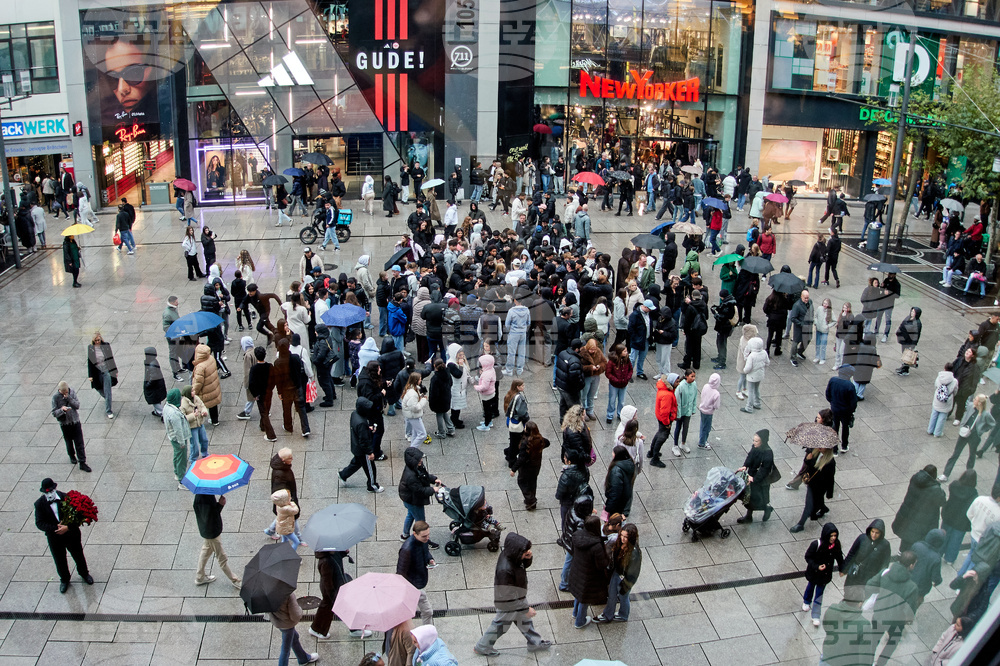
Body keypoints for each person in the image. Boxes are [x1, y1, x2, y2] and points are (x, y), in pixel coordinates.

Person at [473, 532, 552, 656]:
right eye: (525, 550)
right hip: (509, 603)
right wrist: (525, 609)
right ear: (517, 551)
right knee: (500, 626)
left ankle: (534, 642)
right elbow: (507, 596)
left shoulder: (511, 556)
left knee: (524, 621)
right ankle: (482, 646)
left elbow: (522, 566)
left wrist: (527, 558)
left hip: (517, 596)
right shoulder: (505, 569)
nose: (528, 551)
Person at [35, 478, 94, 594]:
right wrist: (56, 528)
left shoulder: (67, 498)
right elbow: (39, 523)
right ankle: (65, 579)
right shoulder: (39, 504)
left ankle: (84, 573)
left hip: (71, 535)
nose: (49, 494)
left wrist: (67, 527)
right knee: (59, 559)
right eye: (46, 493)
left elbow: (78, 516)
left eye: (50, 491)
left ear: (55, 489)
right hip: (54, 537)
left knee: (78, 555)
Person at [865, 551, 920, 666]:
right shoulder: (912, 587)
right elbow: (909, 610)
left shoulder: (884, 573)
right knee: (892, 643)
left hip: (879, 615)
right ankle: (880, 664)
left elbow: (870, 585)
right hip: (896, 621)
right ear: (911, 565)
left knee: (873, 641)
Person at [568, 514, 611, 629]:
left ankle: (575, 613)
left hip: (577, 571)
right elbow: (601, 564)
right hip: (589, 577)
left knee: (578, 594)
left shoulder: (577, 535)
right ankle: (580, 621)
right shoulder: (596, 545)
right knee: (585, 599)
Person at [892, 465, 946, 554]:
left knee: (906, 534)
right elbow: (942, 501)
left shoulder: (915, 479)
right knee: (917, 539)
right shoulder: (935, 489)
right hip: (923, 519)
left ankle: (901, 551)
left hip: (909, 514)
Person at [309, 548, 361, 640]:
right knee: (328, 609)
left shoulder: (331, 553)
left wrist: (343, 553)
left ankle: (317, 629)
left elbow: (338, 558)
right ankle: (317, 629)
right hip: (332, 590)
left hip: (337, 585)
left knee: (328, 609)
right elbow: (327, 582)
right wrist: (334, 596)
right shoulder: (325, 562)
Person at [940, 394, 995, 481]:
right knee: (955, 454)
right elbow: (967, 406)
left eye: (976, 399)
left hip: (974, 436)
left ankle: (968, 475)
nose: (974, 400)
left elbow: (992, 424)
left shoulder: (985, 414)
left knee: (971, 455)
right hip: (964, 433)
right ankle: (945, 474)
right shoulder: (970, 406)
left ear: (980, 403)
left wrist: (981, 431)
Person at [192, 493, 242, 589]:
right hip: (212, 533)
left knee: (205, 552)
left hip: (207, 532)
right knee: (222, 558)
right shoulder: (206, 499)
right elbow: (211, 517)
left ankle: (200, 577)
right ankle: (235, 580)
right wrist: (220, 505)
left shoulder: (200, 495)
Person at [801, 522, 843, 626]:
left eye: (835, 535)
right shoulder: (816, 544)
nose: (833, 538)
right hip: (814, 573)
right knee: (810, 587)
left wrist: (842, 568)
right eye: (831, 535)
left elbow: (839, 557)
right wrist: (817, 566)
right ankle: (806, 601)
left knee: (819, 594)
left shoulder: (836, 544)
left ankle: (815, 615)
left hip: (825, 574)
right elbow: (808, 557)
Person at [339, 397, 384, 493]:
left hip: (356, 447)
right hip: (363, 450)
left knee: (356, 463)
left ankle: (343, 474)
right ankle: (372, 485)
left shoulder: (354, 414)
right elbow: (364, 440)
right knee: (370, 468)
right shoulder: (362, 423)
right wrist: (370, 452)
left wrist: (368, 429)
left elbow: (359, 432)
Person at [841, 518, 891, 603]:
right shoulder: (862, 538)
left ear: (881, 533)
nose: (874, 535)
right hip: (855, 573)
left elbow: (885, 564)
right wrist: (844, 568)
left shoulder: (885, 545)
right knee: (849, 590)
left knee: (862, 596)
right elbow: (852, 554)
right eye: (872, 532)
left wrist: (877, 579)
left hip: (869, 576)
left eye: (877, 533)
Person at [397, 521, 436, 625]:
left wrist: (430, 559)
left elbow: (426, 551)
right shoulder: (407, 550)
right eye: (424, 536)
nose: (427, 538)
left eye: (428, 535)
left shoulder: (423, 541)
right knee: (426, 612)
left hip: (418, 582)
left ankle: (427, 632)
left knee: (425, 612)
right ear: (414, 533)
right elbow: (400, 573)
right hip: (412, 586)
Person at [398, 448, 440, 545]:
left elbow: (424, 475)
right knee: (421, 522)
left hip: (410, 499)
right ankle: (423, 541)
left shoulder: (415, 467)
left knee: (411, 515)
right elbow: (419, 491)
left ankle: (405, 535)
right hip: (413, 501)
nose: (421, 460)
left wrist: (434, 479)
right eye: (419, 459)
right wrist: (433, 489)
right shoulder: (411, 476)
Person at [956, 484, 1000, 577]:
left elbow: (969, 514)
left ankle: (960, 575)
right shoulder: (998, 513)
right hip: (983, 540)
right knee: (975, 562)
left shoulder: (979, 499)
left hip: (973, 533)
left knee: (970, 555)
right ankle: (964, 581)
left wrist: (975, 523)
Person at [789, 448, 836, 533]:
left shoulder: (830, 462)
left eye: (823, 446)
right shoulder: (815, 452)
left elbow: (830, 479)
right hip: (812, 483)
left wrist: (829, 493)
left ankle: (800, 524)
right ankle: (823, 508)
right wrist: (808, 459)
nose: (820, 447)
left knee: (809, 504)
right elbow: (810, 467)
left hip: (820, 486)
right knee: (817, 499)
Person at [269, 592, 320, 665]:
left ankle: (303, 658)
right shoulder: (288, 594)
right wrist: (300, 610)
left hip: (278, 623)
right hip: (287, 624)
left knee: (294, 637)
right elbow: (295, 615)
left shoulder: (266, 595)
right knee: (285, 651)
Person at [263, 448, 301, 541]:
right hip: (286, 499)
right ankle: (299, 537)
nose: (292, 459)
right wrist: (288, 501)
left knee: (282, 516)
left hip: (286, 497)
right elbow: (279, 490)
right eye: (290, 458)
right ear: (283, 460)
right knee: (292, 517)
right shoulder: (280, 473)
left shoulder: (282, 467)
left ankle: (271, 530)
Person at [510, 421, 550, 510]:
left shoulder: (526, 443)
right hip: (536, 466)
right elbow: (547, 443)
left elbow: (521, 459)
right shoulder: (540, 440)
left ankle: (531, 499)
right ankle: (531, 499)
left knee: (522, 482)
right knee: (532, 482)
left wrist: (513, 469)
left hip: (526, 468)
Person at [51, 381, 90, 472]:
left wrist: (68, 398)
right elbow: (54, 412)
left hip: (75, 421)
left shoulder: (71, 392)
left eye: (66, 392)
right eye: (63, 392)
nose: (65, 393)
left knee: (79, 442)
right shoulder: (55, 397)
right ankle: (71, 455)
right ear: (59, 390)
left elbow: (77, 405)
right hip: (65, 423)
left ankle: (82, 462)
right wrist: (62, 410)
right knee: (69, 441)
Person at [648, 372, 679, 467]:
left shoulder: (664, 389)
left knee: (659, 433)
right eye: (677, 382)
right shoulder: (668, 395)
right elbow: (665, 411)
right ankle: (655, 458)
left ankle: (652, 452)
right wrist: (667, 423)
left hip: (660, 417)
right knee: (662, 437)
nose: (678, 383)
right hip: (665, 419)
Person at [826, 365, 858, 453]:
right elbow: (853, 402)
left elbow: (828, 394)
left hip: (835, 409)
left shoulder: (833, 380)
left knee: (835, 428)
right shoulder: (849, 385)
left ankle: (834, 449)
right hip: (845, 411)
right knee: (845, 427)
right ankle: (844, 446)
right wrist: (851, 411)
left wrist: (832, 403)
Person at [86, 331, 118, 419]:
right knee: (99, 388)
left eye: (98, 340)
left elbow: (111, 358)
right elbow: (90, 362)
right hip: (97, 372)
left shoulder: (106, 346)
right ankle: (108, 399)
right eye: (95, 340)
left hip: (106, 370)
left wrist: (115, 370)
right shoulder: (91, 348)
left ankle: (109, 410)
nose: (97, 342)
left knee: (107, 391)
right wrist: (90, 375)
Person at [603, 446, 636, 519]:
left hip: (617, 503)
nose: (612, 454)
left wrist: (608, 508)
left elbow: (615, 492)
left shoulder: (616, 471)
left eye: (613, 452)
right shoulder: (630, 462)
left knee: (613, 521)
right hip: (624, 498)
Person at [503, 379, 529, 470]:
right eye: (522, 386)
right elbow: (522, 413)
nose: (523, 387)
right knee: (517, 443)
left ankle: (508, 452)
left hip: (511, 422)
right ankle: (511, 459)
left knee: (513, 441)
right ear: (517, 387)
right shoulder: (520, 398)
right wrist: (526, 421)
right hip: (518, 424)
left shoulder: (509, 395)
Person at [740, 337, 769, 413]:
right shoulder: (764, 352)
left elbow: (747, 368)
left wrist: (744, 371)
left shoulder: (752, 356)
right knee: (757, 389)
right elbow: (767, 363)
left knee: (750, 391)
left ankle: (749, 407)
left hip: (752, 376)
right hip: (760, 375)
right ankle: (758, 403)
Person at [604, 344, 632, 423]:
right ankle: (610, 415)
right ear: (620, 352)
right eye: (625, 351)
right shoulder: (612, 361)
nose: (626, 353)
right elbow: (608, 373)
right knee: (612, 400)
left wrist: (627, 378)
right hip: (614, 385)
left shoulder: (627, 359)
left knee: (621, 401)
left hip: (624, 384)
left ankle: (620, 414)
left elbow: (630, 369)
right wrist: (615, 379)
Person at [673, 368, 698, 456]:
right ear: (686, 376)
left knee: (686, 427)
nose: (693, 378)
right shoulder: (681, 386)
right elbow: (677, 401)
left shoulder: (694, 384)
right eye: (692, 376)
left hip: (688, 410)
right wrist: (678, 414)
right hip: (681, 411)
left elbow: (695, 396)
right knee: (678, 427)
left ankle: (683, 443)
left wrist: (693, 409)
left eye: (694, 376)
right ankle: (675, 445)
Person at [788, 289, 814, 367]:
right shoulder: (797, 305)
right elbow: (793, 318)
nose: (807, 299)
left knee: (808, 339)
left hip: (808, 326)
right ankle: (793, 357)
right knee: (795, 342)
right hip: (800, 327)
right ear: (801, 297)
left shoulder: (810, 302)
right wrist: (801, 324)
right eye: (805, 298)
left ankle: (800, 352)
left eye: (807, 297)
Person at [697, 372, 721, 449]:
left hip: (702, 408)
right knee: (707, 428)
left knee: (702, 424)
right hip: (709, 412)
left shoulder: (706, 386)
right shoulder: (716, 393)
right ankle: (702, 443)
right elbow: (716, 406)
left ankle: (702, 439)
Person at [142, 347, 167, 419]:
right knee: (156, 400)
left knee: (155, 401)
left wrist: (148, 385)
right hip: (157, 386)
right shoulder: (153, 361)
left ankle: (163, 414)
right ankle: (157, 411)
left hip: (154, 387)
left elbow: (153, 378)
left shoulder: (152, 364)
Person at [813, 298, 835, 365]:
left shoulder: (830, 312)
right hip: (818, 329)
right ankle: (817, 357)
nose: (825, 305)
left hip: (825, 331)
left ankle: (822, 358)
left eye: (826, 303)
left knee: (823, 345)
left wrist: (828, 326)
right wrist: (816, 323)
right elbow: (815, 316)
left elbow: (834, 321)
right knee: (817, 344)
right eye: (824, 303)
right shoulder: (819, 308)